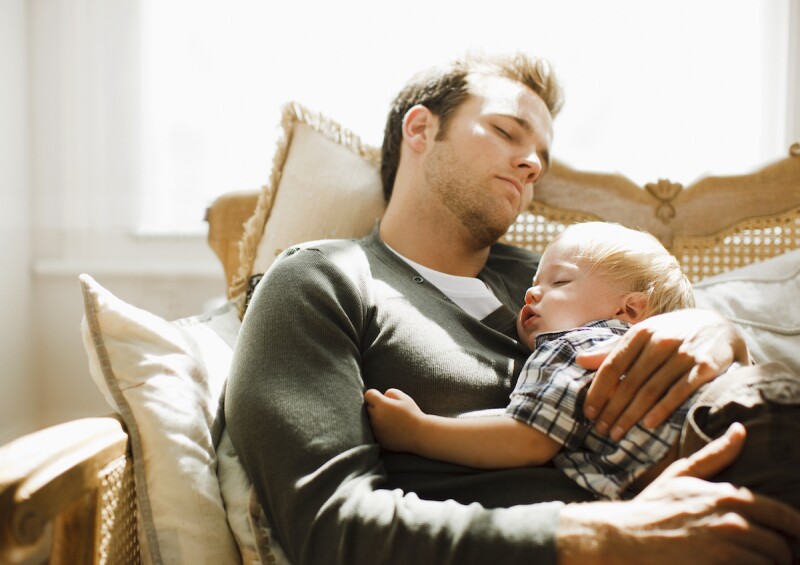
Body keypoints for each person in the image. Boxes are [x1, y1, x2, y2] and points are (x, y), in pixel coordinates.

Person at [225, 52, 800, 564]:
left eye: (541, 156)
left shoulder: (559, 275)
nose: (531, 164)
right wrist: (601, 536)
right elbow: (330, 527)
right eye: (506, 131)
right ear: (422, 128)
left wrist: (716, 328)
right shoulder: (324, 278)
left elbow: (692, 355)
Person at [365, 222, 799, 503]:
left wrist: (420, 431)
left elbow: (528, 439)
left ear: (629, 311)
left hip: (725, 427)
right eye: (534, 284)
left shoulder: (574, 345)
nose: (532, 294)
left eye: (560, 281)